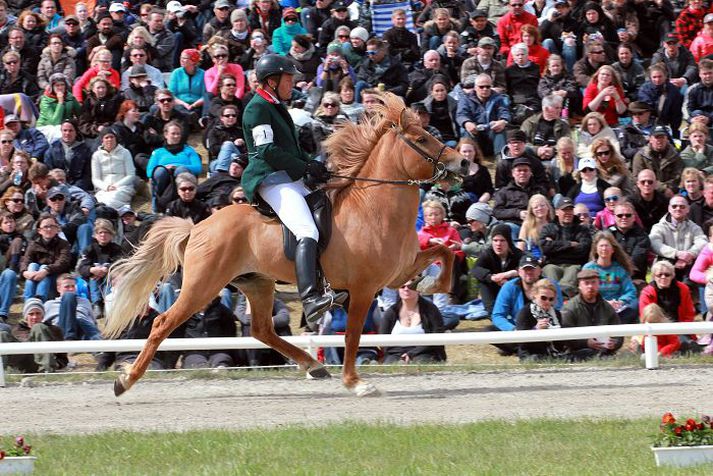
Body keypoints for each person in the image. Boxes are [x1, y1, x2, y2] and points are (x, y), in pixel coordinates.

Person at [240, 54, 346, 324]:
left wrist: (311, 165)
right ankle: (310, 299)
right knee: (306, 230)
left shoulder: (275, 105)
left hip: (288, 175)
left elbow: (289, 149)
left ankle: (331, 282)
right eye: (289, 79)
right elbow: (267, 150)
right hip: (270, 178)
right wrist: (305, 168)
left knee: (328, 208)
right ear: (272, 81)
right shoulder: (257, 108)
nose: (293, 83)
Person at [490, 254, 563, 355]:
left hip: (546, 328)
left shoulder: (551, 285)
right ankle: (519, 347)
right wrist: (513, 329)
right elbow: (497, 315)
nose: (529, 272)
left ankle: (517, 348)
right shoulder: (509, 287)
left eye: (532, 269)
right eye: (525, 269)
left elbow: (558, 309)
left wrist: (545, 325)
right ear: (519, 272)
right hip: (517, 329)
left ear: (539, 271)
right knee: (489, 330)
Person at [378, 280, 447, 364]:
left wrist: (412, 354)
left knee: (422, 363)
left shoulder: (431, 309)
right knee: (390, 365)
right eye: (402, 287)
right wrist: (401, 356)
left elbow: (437, 335)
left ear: (418, 289)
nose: (406, 289)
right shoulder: (391, 311)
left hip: (425, 351)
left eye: (411, 286)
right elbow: (383, 339)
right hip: (395, 353)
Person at [561, 268, 623, 360]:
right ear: (579, 286)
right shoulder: (570, 308)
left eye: (593, 282)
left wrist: (614, 343)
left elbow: (619, 333)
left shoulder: (607, 307)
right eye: (586, 283)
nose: (590, 286)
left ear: (598, 284)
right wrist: (586, 342)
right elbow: (565, 336)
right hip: (577, 353)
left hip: (604, 352)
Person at [639, 260, 699, 353]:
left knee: (682, 342)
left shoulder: (683, 289)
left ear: (673, 276)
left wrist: (682, 329)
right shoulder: (647, 293)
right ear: (654, 277)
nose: (663, 277)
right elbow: (645, 317)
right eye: (659, 275)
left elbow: (689, 314)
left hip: (679, 328)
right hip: (656, 330)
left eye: (667, 274)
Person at [539, 196, 593, 297]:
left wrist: (555, 245)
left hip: (574, 264)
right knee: (550, 270)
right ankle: (554, 296)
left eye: (570, 210)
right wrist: (570, 244)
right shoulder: (548, 228)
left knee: (573, 271)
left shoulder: (581, 229)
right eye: (564, 210)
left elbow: (583, 249)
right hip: (552, 264)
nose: (568, 213)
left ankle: (560, 297)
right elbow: (545, 247)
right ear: (556, 212)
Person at [582, 231, 638, 324]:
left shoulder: (619, 269)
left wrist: (620, 302)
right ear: (596, 249)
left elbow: (630, 291)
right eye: (601, 246)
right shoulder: (588, 268)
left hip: (618, 306)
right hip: (597, 305)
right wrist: (605, 303)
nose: (604, 248)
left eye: (607, 246)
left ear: (613, 249)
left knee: (635, 304)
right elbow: (585, 292)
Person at [146, 121, 202, 212]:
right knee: (160, 171)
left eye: (178, 134)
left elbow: (198, 168)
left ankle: (182, 204)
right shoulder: (158, 152)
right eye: (173, 134)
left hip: (182, 178)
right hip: (163, 178)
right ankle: (158, 205)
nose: (176, 136)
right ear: (166, 134)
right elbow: (149, 172)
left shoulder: (189, 150)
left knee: (181, 170)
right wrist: (164, 168)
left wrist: (177, 166)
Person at [0, 297, 66, 373]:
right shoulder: (16, 330)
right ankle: (2, 374)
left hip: (43, 363)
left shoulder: (54, 330)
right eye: (31, 314)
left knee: (38, 327)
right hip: (24, 363)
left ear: (43, 315)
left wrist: (58, 364)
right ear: (26, 316)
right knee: (3, 334)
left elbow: (63, 358)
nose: (35, 317)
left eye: (38, 313)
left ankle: (47, 372)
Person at [649, 195, 707, 280]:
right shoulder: (658, 227)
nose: (678, 208)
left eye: (682, 206)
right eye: (674, 206)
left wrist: (690, 254)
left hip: (687, 266)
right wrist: (677, 254)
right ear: (669, 208)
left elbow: (703, 242)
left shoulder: (694, 227)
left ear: (688, 209)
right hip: (664, 266)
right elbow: (655, 244)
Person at [471, 223, 523, 314]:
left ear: (509, 242)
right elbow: (476, 269)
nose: (498, 244)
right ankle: (492, 311)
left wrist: (508, 274)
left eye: (502, 240)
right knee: (484, 282)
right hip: (493, 288)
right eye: (495, 240)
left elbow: (529, 267)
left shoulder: (517, 254)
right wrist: (491, 277)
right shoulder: (488, 253)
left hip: (511, 288)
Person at [493, 158, 548, 240]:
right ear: (513, 173)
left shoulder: (539, 190)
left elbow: (548, 208)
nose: (522, 173)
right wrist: (518, 213)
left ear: (530, 173)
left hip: (535, 224)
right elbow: (497, 212)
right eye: (519, 170)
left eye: (525, 170)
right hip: (514, 224)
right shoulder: (503, 192)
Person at [20, 213, 72, 301]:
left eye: (52, 226)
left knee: (44, 268)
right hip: (35, 278)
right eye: (46, 227)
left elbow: (63, 262)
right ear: (39, 230)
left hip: (54, 279)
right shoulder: (33, 244)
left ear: (57, 229)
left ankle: (39, 301)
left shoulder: (63, 244)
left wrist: (46, 271)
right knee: (32, 266)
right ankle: (30, 303)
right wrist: (25, 273)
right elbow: (26, 261)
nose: (49, 229)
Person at [456, 73, 510, 156]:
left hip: (492, 132)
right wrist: (467, 123)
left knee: (501, 130)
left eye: (488, 86)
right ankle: (467, 161)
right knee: (467, 132)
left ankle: (501, 159)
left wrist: (503, 121)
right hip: (475, 132)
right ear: (475, 87)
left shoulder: (498, 98)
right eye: (481, 87)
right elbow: (461, 115)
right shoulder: (465, 99)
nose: (485, 89)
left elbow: (504, 112)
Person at [77, 219, 123, 316]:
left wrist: (107, 269)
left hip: (109, 279)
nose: (103, 235)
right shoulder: (89, 249)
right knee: (93, 277)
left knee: (112, 277)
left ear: (111, 235)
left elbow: (120, 263)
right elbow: (81, 267)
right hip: (92, 281)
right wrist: (92, 269)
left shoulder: (116, 249)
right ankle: (96, 303)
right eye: (100, 232)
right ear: (95, 235)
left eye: (106, 232)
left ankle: (108, 303)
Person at [515, 278, 566, 361]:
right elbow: (522, 343)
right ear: (535, 295)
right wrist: (536, 329)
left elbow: (560, 344)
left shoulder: (556, 314)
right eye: (543, 298)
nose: (547, 302)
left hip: (553, 353)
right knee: (536, 358)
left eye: (551, 299)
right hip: (531, 354)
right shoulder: (525, 312)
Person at [43, 272, 102, 340]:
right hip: (61, 332)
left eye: (73, 286)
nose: (71, 289)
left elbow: (93, 322)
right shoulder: (50, 304)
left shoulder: (85, 302)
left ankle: (100, 346)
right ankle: (69, 338)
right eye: (67, 287)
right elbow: (44, 324)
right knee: (69, 296)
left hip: (83, 330)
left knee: (81, 321)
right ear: (58, 289)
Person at [91, 127, 137, 210]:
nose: (109, 140)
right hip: (104, 189)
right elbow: (95, 179)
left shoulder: (125, 152)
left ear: (116, 138)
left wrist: (116, 186)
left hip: (123, 187)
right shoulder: (96, 156)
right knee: (99, 201)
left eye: (112, 137)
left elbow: (131, 175)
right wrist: (106, 187)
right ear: (102, 140)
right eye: (106, 137)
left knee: (111, 201)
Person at [632, 126, 684, 197]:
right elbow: (637, 177)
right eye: (656, 137)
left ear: (667, 139)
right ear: (650, 139)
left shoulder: (675, 155)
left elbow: (677, 177)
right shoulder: (641, 156)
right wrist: (662, 188)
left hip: (671, 192)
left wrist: (669, 189)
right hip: (646, 190)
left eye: (662, 137)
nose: (659, 140)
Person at [43, 120, 93, 192]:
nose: (67, 133)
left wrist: (75, 189)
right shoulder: (53, 148)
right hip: (56, 187)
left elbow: (87, 175)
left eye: (70, 131)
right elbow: (48, 170)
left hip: (78, 188)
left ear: (76, 132)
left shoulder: (85, 150)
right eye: (65, 130)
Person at [520, 95, 570, 163]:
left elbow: (567, 143)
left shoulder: (563, 125)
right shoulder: (529, 123)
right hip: (532, 157)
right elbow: (522, 141)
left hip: (556, 158)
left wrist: (553, 150)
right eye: (557, 108)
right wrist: (537, 150)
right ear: (546, 109)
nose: (560, 110)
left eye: (560, 108)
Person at [637, 62, 684, 135]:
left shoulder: (674, 91)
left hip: (667, 126)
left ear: (665, 76)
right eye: (654, 77)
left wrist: (674, 130)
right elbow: (646, 108)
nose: (657, 79)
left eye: (660, 76)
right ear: (650, 78)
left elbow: (676, 113)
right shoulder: (644, 89)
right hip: (648, 125)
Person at [517, 194, 553, 259]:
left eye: (542, 205)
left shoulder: (553, 224)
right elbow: (520, 247)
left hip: (550, 259)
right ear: (532, 211)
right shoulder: (526, 225)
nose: (539, 208)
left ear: (548, 207)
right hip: (531, 258)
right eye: (536, 207)